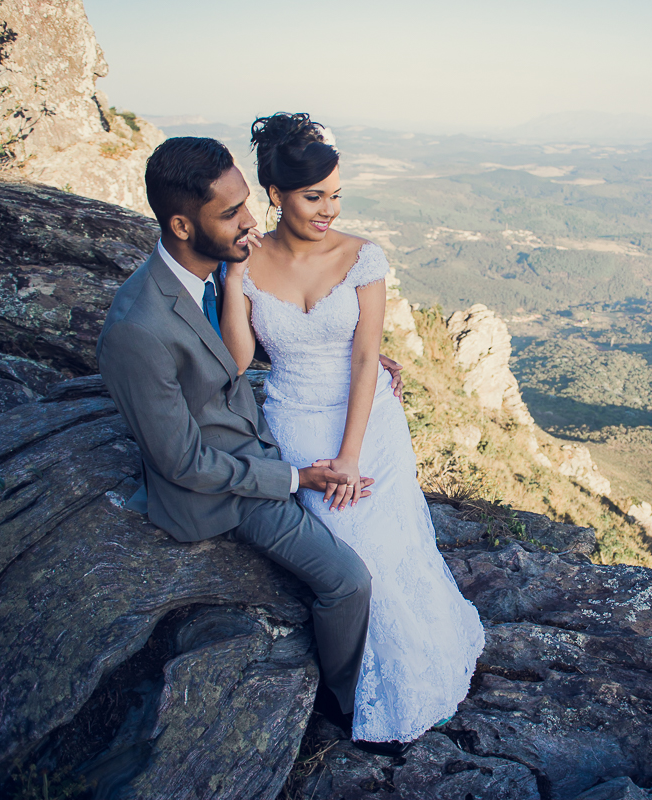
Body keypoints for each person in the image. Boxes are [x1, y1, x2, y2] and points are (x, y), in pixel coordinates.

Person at [96, 137, 404, 746]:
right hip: (222, 488)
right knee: (349, 579)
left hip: (262, 442)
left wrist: (349, 353)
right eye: (232, 212)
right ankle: (338, 710)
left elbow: (231, 355)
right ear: (182, 225)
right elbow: (183, 461)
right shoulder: (136, 329)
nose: (250, 221)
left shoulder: (207, 269)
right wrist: (295, 478)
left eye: (246, 204)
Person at [218, 112, 484, 755]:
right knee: (351, 555)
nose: (329, 210)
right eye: (315, 197)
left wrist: (350, 455)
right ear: (276, 194)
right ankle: (361, 687)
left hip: (368, 424)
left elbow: (367, 358)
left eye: (336, 195)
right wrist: (234, 280)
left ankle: (420, 670)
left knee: (391, 545)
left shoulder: (363, 256)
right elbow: (236, 362)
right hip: (295, 419)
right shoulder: (248, 263)